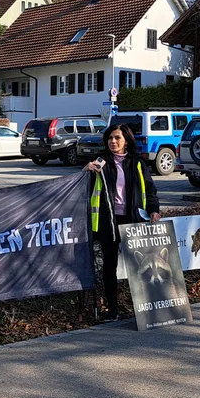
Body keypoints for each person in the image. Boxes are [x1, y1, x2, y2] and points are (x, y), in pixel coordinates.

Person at [83, 122, 161, 321]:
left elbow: (150, 190)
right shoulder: (100, 162)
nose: (113, 141)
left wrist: (154, 210)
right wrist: (86, 171)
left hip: (133, 221)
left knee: (140, 266)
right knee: (109, 268)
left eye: (117, 138)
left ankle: (146, 309)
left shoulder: (136, 163)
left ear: (126, 141)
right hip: (108, 222)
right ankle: (113, 310)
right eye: (110, 138)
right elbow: (84, 188)